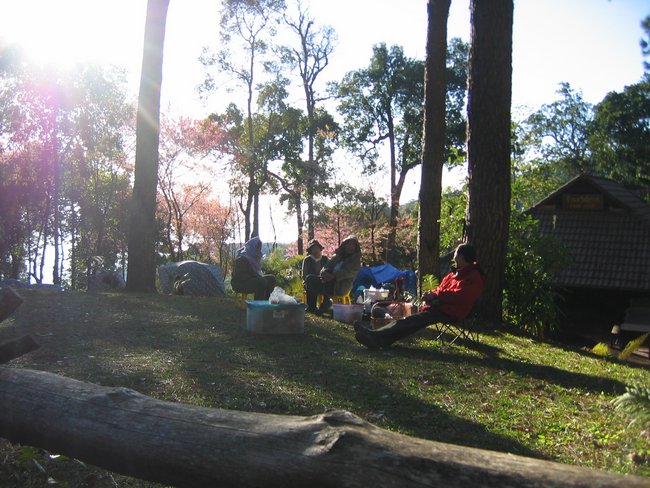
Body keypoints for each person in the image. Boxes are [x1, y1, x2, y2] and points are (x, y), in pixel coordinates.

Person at [353, 243, 484, 349]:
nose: (454, 257)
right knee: (413, 321)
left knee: (412, 321)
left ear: (461, 256)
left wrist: (436, 295)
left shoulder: (473, 276)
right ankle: (381, 339)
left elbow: (461, 296)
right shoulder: (454, 274)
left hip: (453, 311)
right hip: (440, 307)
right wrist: (431, 295)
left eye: (456, 254)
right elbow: (441, 290)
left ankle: (375, 335)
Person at [304, 235, 361, 315]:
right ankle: (312, 307)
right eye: (348, 244)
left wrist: (333, 276)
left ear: (356, 247)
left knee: (324, 282)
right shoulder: (337, 256)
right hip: (327, 280)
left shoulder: (356, 261)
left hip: (340, 285)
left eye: (352, 245)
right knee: (310, 278)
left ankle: (326, 304)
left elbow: (347, 272)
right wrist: (324, 272)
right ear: (344, 245)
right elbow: (327, 265)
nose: (350, 247)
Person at [231, 236, 276, 300]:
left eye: (260, 248)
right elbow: (239, 276)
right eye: (257, 248)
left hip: (252, 280)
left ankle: (266, 301)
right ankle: (258, 304)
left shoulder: (255, 258)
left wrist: (256, 276)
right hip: (240, 283)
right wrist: (254, 276)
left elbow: (257, 273)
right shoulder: (242, 259)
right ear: (253, 247)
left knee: (271, 278)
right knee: (261, 281)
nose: (259, 250)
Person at [302, 239, 329, 313]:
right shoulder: (307, 260)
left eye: (317, 248)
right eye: (313, 249)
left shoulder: (325, 259)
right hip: (310, 283)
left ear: (320, 249)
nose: (315, 250)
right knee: (310, 279)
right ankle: (311, 307)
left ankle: (324, 306)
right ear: (310, 250)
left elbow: (329, 271)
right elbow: (304, 275)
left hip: (323, 282)